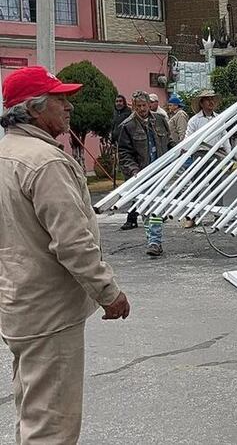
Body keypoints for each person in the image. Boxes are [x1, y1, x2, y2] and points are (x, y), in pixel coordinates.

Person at [0, 66, 131, 444]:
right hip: (48, 311)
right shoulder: (46, 162)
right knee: (52, 427)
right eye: (59, 99)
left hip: (20, 304)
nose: (68, 105)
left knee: (33, 411)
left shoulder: (8, 153)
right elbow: (73, 243)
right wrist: (109, 293)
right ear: (35, 109)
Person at [117, 91, 174, 255]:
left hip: (160, 172)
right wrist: (133, 170)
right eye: (138, 106)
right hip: (141, 174)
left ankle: (154, 241)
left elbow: (168, 141)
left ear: (149, 104)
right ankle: (153, 240)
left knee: (156, 207)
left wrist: (179, 150)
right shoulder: (128, 126)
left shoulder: (161, 120)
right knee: (146, 208)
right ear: (133, 106)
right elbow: (124, 153)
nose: (142, 109)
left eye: (144, 105)